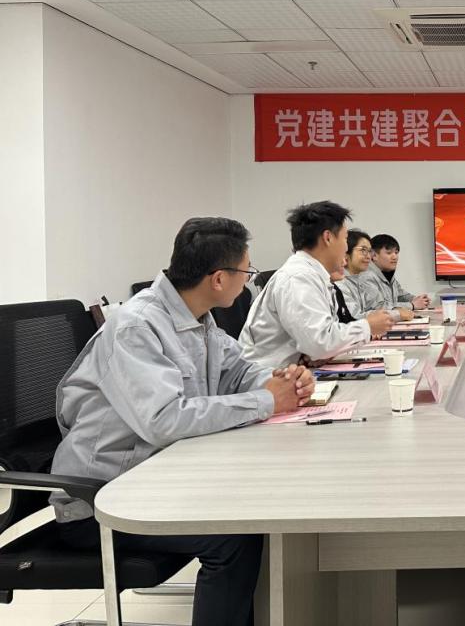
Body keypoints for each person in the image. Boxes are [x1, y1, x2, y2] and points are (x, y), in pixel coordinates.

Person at [50, 217, 315, 626]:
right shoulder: (136, 326)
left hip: (159, 477)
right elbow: (164, 419)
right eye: (247, 271)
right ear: (219, 279)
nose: (248, 281)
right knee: (234, 536)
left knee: (258, 508)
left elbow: (237, 371)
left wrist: (280, 381)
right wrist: (266, 400)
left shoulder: (198, 317)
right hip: (105, 498)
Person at [239, 201, 392, 367]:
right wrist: (368, 326)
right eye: (345, 238)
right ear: (328, 238)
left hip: (289, 372)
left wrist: (311, 353)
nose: (346, 247)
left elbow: (317, 343)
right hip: (265, 377)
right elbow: (320, 343)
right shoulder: (298, 278)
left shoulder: (313, 275)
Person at [341, 229, 413, 323]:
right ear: (345, 253)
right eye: (363, 250)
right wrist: (397, 313)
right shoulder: (341, 284)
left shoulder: (357, 281)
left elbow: (368, 311)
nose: (368, 256)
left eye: (369, 251)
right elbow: (354, 317)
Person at [357, 233, 430, 313]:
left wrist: (418, 300)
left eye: (396, 252)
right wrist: (412, 305)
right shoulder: (366, 276)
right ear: (374, 255)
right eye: (389, 253)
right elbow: (378, 306)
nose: (395, 257)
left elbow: (401, 296)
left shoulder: (388, 274)